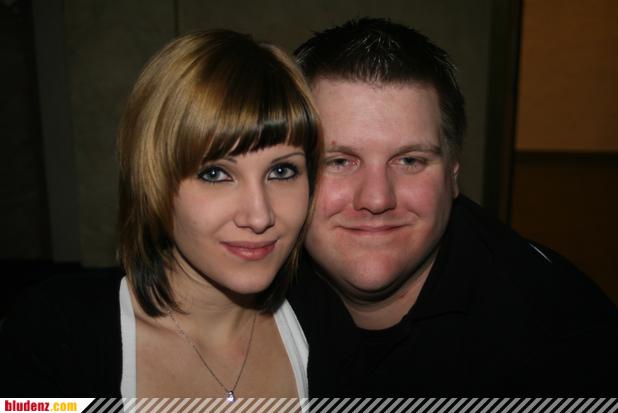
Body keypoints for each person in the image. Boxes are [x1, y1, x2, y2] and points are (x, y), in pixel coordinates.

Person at [288, 17, 618, 395]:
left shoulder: (565, 337)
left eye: (409, 160)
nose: (377, 199)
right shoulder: (247, 292)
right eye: (338, 161)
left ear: (453, 176)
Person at [0, 29, 322, 398]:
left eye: (282, 171)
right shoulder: (55, 337)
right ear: (154, 181)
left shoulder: (325, 321)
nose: (259, 216)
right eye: (215, 174)